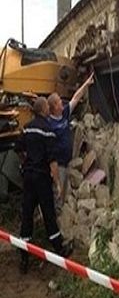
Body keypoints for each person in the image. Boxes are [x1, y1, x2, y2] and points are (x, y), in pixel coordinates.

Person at [16, 97, 73, 274]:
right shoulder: (48, 131)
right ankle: (59, 249)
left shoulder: (27, 128)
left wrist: (25, 164)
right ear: (43, 109)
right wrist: (56, 183)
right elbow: (53, 162)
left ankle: (23, 257)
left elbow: (18, 148)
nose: (50, 108)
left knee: (27, 214)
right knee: (48, 212)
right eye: (48, 106)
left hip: (28, 178)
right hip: (41, 178)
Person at [47, 72, 94, 210]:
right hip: (58, 166)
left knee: (64, 192)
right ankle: (56, 224)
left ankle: (61, 219)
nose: (62, 102)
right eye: (59, 102)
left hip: (67, 163)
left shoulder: (65, 114)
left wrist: (86, 84)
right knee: (58, 193)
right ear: (54, 107)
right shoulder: (49, 124)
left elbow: (76, 97)